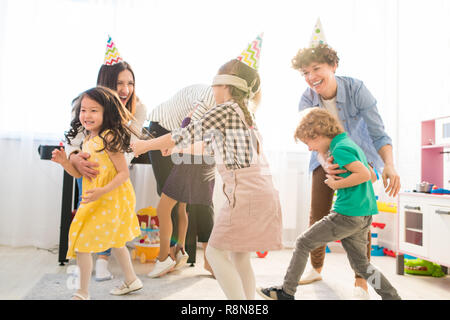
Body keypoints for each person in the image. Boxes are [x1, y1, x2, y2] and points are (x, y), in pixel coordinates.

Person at [131, 57, 283, 300]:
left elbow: (183, 134)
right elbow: (211, 147)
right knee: (239, 257)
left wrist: (144, 145)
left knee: (213, 253)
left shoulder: (225, 110)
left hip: (244, 195)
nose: (211, 89)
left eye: (215, 83)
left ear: (226, 86)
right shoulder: (244, 115)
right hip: (261, 192)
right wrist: (179, 150)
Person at [292, 42, 401, 298]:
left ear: (333, 66)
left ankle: (361, 281)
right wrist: (324, 161)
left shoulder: (356, 89)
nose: (311, 77)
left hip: (359, 158)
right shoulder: (307, 99)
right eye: (305, 72)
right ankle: (316, 267)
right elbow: (310, 137)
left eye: (316, 69)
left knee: (361, 218)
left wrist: (389, 165)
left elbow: (378, 131)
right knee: (318, 213)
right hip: (327, 158)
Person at [257, 107, 401, 300]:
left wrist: (336, 184)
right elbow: (371, 175)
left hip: (347, 214)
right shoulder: (348, 143)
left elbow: (365, 175)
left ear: (319, 134)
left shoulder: (340, 149)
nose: (309, 148)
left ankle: (286, 292)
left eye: (309, 142)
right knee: (361, 266)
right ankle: (392, 297)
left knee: (302, 243)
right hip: (362, 215)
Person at [65, 37, 147, 281]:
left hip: (114, 169)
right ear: (106, 82)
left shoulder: (138, 109)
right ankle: (93, 258)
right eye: (119, 83)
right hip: (88, 166)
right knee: (91, 212)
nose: (125, 89)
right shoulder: (87, 103)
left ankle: (103, 260)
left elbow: (133, 145)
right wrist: (75, 158)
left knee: (111, 216)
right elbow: (73, 140)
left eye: (130, 83)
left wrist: (113, 159)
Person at [52, 86, 143, 300]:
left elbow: (123, 174)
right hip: (96, 196)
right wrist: (65, 162)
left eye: (93, 110)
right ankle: (132, 280)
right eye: (83, 110)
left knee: (83, 242)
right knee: (116, 239)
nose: (87, 115)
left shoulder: (109, 138)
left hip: (112, 197)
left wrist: (102, 190)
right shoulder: (87, 139)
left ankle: (82, 293)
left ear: (106, 113)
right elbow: (78, 174)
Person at [146, 84, 216, 277]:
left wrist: (173, 147)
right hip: (169, 132)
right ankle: (177, 251)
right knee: (180, 201)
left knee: (169, 202)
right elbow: (189, 126)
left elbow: (188, 127)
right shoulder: (213, 99)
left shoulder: (217, 101)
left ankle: (167, 256)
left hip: (184, 142)